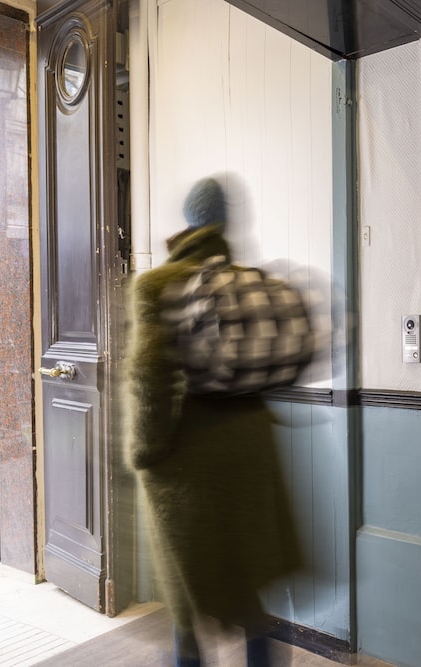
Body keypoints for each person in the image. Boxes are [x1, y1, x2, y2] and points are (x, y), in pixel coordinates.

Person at [124, 177, 301, 667]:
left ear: (188, 222)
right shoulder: (245, 279)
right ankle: (261, 655)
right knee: (243, 574)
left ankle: (188, 658)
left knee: (186, 584)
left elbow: (150, 378)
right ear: (225, 222)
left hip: (187, 457)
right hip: (252, 447)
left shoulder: (159, 284)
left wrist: (143, 452)